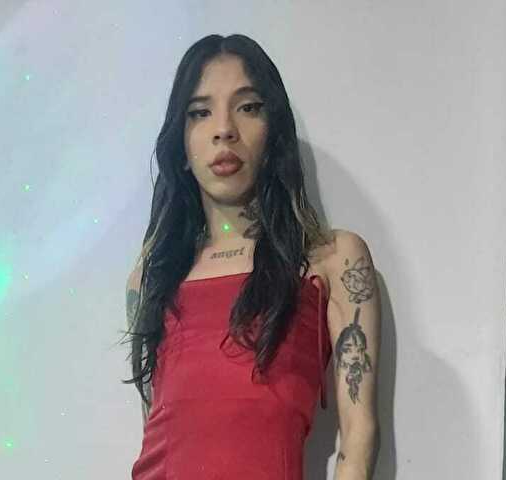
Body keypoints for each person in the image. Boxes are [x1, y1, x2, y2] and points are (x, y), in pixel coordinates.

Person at [121, 33, 381, 480]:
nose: (224, 129)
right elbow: (158, 429)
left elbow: (358, 441)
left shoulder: (332, 261)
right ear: (181, 146)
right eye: (200, 112)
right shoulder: (152, 277)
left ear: (273, 131)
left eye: (247, 107)